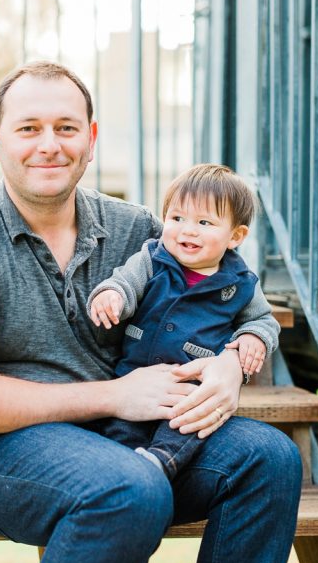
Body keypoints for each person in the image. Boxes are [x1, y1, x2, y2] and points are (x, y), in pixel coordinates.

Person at [0, 61, 302, 563]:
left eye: (67, 128)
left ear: (90, 140)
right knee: (129, 487)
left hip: (130, 434)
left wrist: (231, 365)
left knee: (270, 458)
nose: (50, 145)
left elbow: (233, 298)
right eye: (29, 128)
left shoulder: (139, 229)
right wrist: (115, 396)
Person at [86, 163, 280, 479]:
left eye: (204, 222)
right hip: (136, 379)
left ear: (235, 236)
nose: (188, 230)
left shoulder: (240, 283)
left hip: (191, 386)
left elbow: (263, 320)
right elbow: (125, 281)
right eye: (177, 218)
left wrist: (253, 338)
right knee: (121, 429)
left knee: (190, 423)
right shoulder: (153, 258)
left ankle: (162, 461)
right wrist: (112, 296)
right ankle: (121, 470)